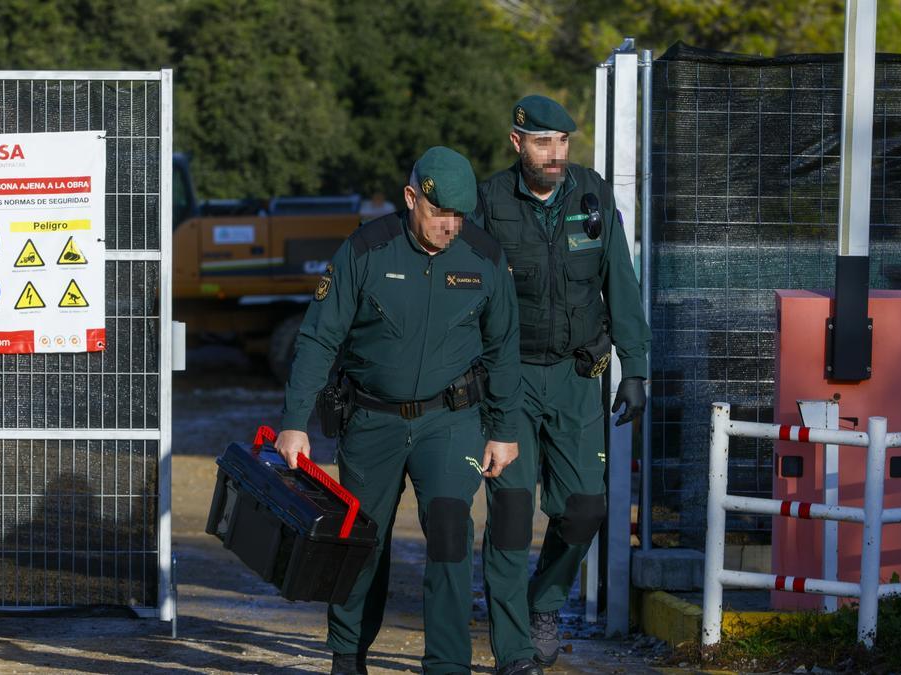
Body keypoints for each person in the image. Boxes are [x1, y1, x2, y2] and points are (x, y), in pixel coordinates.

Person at [276, 146, 522, 674]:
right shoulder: (366, 250)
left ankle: (448, 666)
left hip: (450, 420)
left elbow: (504, 348)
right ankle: (347, 655)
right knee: (361, 540)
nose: (450, 226)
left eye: (460, 215)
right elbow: (319, 339)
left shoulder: (484, 257)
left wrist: (504, 430)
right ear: (413, 198)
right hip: (372, 420)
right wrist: (294, 423)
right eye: (439, 214)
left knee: (453, 531)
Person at [470, 95, 651, 675]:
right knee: (512, 513)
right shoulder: (489, 203)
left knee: (585, 509)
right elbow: (465, 294)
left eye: (564, 142)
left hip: (578, 376)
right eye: (543, 142)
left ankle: (543, 604)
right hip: (510, 379)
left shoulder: (592, 194)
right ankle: (514, 649)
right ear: (517, 142)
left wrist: (636, 368)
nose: (555, 154)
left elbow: (619, 281)